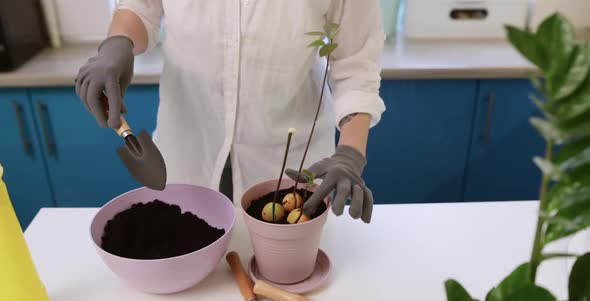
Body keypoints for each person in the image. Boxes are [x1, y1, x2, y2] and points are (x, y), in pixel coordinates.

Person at [75, 0, 386, 223]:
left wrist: (350, 154)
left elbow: (356, 63)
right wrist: (119, 42)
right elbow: (140, 8)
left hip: (287, 162)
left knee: (285, 281)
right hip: (189, 148)